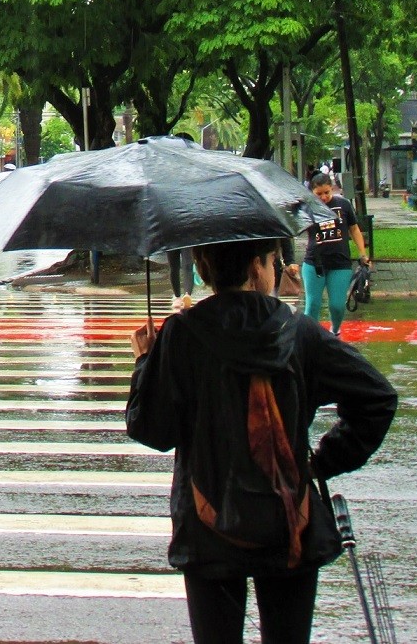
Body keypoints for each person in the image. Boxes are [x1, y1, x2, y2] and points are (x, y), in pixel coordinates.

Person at [126, 238, 397, 644]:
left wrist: (146, 362)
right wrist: (322, 462)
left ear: (202, 267)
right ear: (256, 267)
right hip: (290, 521)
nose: (276, 270)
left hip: (208, 524)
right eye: (274, 261)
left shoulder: (181, 335)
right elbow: (376, 398)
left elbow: (151, 429)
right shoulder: (299, 332)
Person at [298, 172, 369, 335]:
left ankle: (335, 332)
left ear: (332, 189)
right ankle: (311, 337)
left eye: (327, 192)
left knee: (337, 305)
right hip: (314, 263)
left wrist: (362, 253)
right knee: (313, 304)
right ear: (312, 192)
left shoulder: (343, 205)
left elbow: (354, 229)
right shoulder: (308, 208)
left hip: (340, 263)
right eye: (319, 194)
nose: (324, 197)